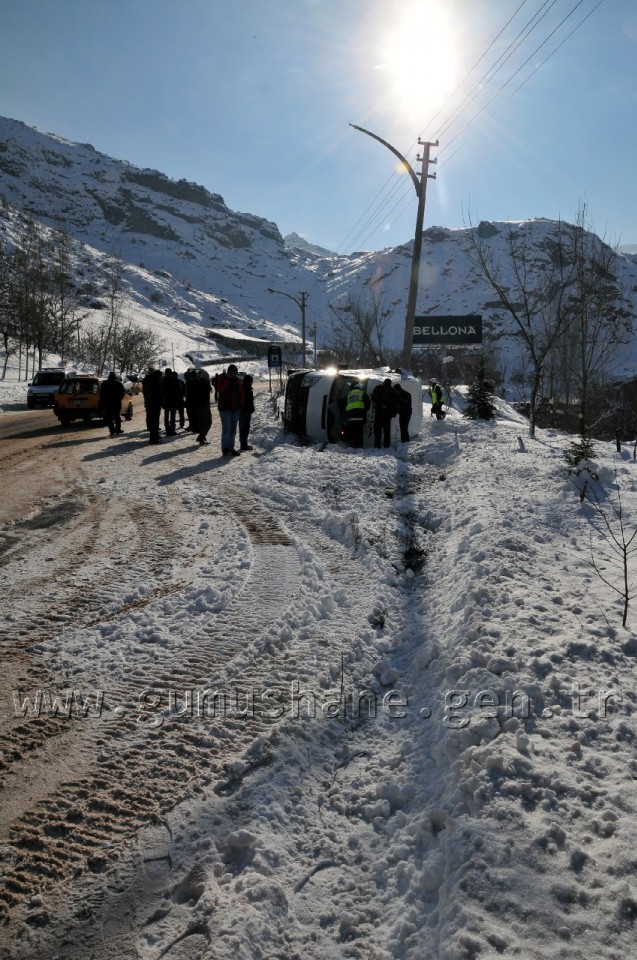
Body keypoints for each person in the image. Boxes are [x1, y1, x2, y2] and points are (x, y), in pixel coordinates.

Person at [216, 364, 244, 456]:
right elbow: (221, 388)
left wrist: (241, 405)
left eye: (234, 373)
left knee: (233, 430)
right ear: (228, 372)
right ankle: (225, 448)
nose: (233, 374)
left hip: (235, 409)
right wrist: (228, 380)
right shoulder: (222, 379)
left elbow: (241, 393)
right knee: (227, 429)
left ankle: (231, 448)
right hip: (225, 409)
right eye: (231, 372)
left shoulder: (237, 381)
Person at [371, 378, 397, 448]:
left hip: (379, 411)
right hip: (388, 413)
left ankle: (377, 445)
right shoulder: (392, 391)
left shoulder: (379, 388)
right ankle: (386, 445)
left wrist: (376, 404)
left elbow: (373, 398)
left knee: (377, 429)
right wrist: (394, 413)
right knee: (387, 430)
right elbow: (395, 403)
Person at [344, 380, 370, 449]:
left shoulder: (349, 394)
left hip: (350, 417)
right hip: (359, 416)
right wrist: (364, 411)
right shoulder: (362, 393)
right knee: (359, 432)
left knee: (351, 432)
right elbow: (368, 403)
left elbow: (345, 404)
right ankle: (359, 445)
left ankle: (352, 445)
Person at [100, 372, 126, 437]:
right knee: (117, 416)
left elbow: (101, 394)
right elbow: (122, 393)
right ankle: (117, 429)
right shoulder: (118, 384)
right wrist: (119, 399)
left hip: (107, 403)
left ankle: (111, 430)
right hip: (116, 403)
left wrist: (103, 402)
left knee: (109, 417)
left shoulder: (104, 384)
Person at [191, 368, 212, 445]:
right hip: (204, 406)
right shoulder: (205, 384)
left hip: (197, 406)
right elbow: (206, 396)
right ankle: (201, 437)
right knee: (208, 422)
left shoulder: (196, 383)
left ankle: (202, 438)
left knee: (201, 423)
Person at [142, 368, 163, 444]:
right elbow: (159, 393)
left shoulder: (146, 380)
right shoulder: (156, 380)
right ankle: (153, 438)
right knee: (155, 421)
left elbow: (145, 392)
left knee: (151, 419)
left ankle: (155, 435)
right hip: (155, 403)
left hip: (148, 402)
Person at [161, 368, 181, 436]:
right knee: (172, 416)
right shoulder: (175, 379)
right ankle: (172, 430)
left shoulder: (163, 380)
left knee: (166, 416)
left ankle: (167, 429)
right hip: (173, 400)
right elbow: (178, 390)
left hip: (166, 400)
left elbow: (161, 390)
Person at [239, 374, 255, 451]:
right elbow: (249, 402)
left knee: (242, 428)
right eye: (251, 382)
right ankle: (244, 445)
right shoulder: (248, 390)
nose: (252, 383)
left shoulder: (241, 388)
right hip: (246, 411)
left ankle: (243, 443)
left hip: (241, 411)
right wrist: (251, 409)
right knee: (245, 429)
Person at [184, 368, 199, 433]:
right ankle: (193, 426)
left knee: (192, 415)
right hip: (192, 401)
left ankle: (193, 427)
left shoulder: (190, 383)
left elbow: (188, 394)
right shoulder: (190, 382)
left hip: (191, 401)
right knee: (192, 415)